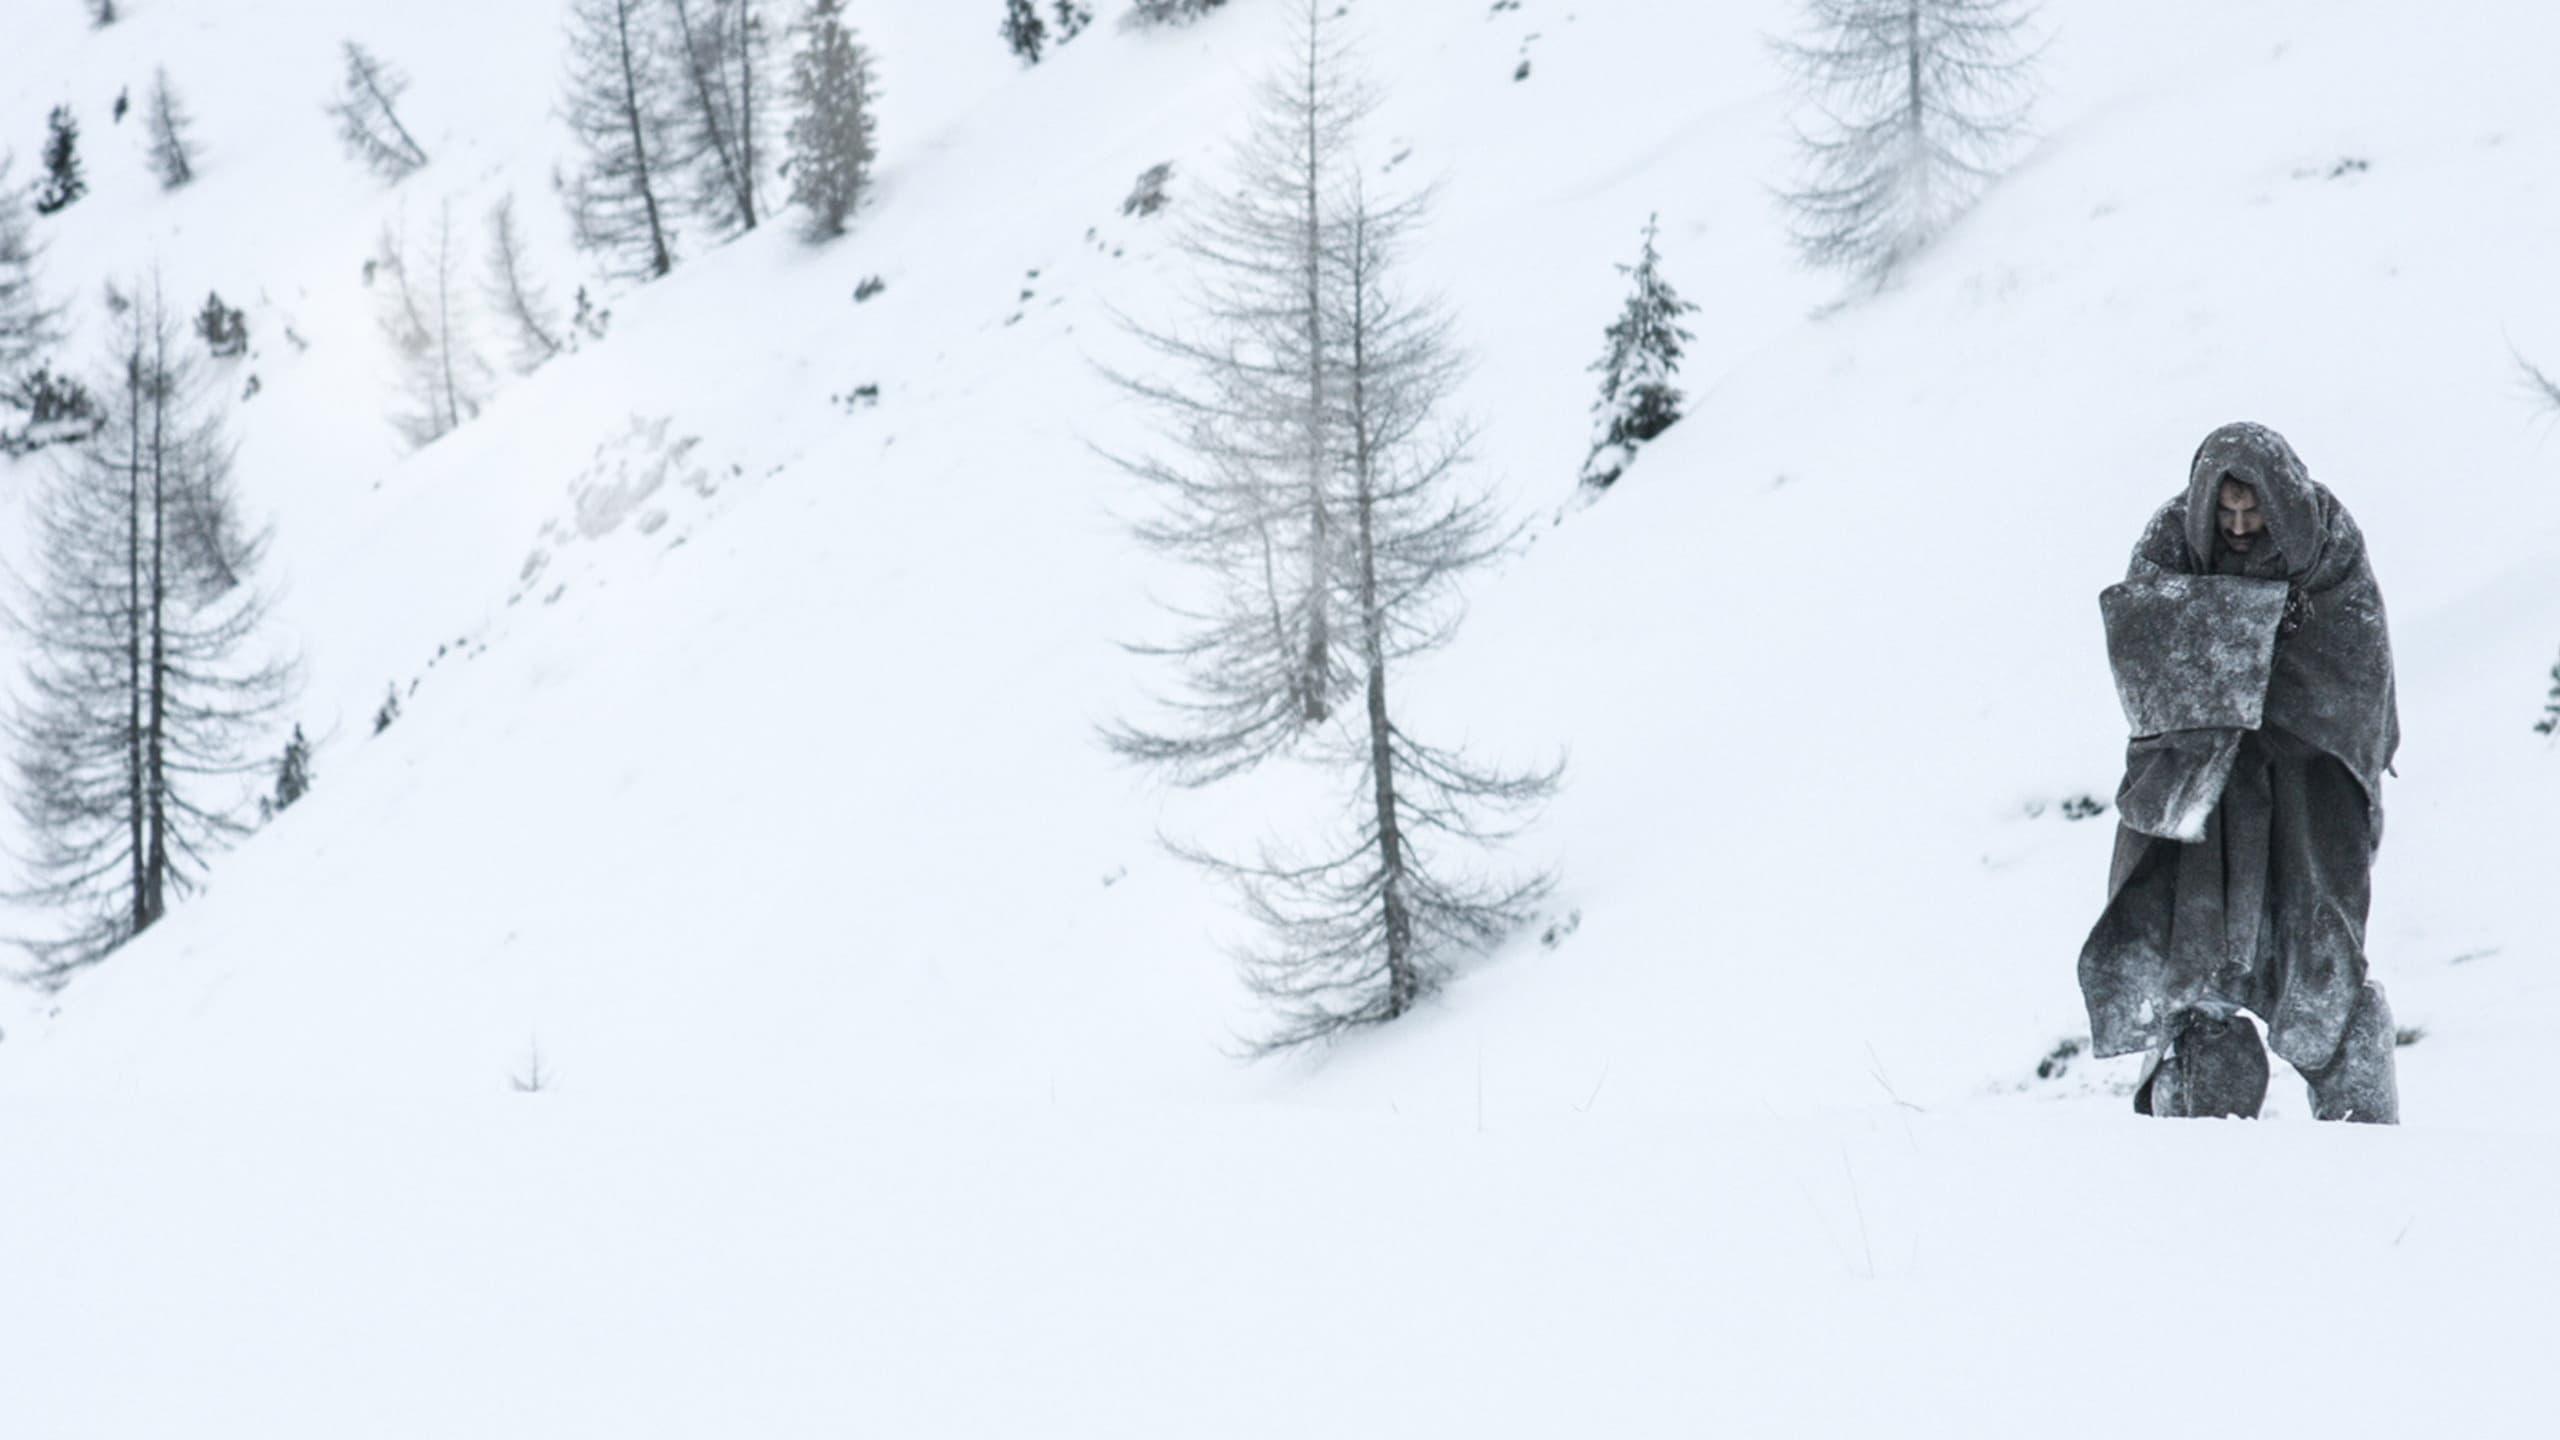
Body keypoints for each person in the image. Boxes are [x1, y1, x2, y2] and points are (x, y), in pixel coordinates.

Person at [2078, 422, 2401, 1122]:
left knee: (2319, 950)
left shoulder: (2328, 545)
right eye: (2224, 512)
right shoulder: (2169, 542)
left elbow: (2353, 670)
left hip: (2306, 789)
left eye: (2253, 510)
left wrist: (2237, 639)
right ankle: (2201, 1117)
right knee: (2198, 964)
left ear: (2282, 500)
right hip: (2207, 790)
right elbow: (2148, 661)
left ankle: (2366, 1141)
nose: (2240, 524)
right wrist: (2252, 633)